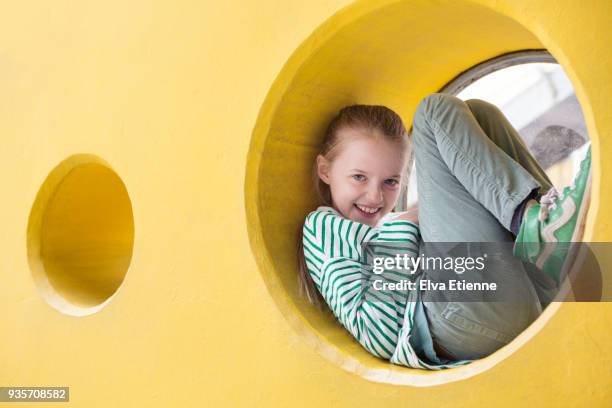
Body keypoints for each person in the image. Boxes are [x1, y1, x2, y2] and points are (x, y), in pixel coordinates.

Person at [296, 94, 591, 369]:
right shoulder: (323, 228)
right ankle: (539, 231)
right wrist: (406, 224)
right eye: (359, 177)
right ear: (325, 170)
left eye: (390, 182)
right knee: (434, 111)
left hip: (522, 295)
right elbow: (378, 334)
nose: (374, 197)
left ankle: (548, 231)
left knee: (480, 115)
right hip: (460, 321)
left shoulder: (386, 229)